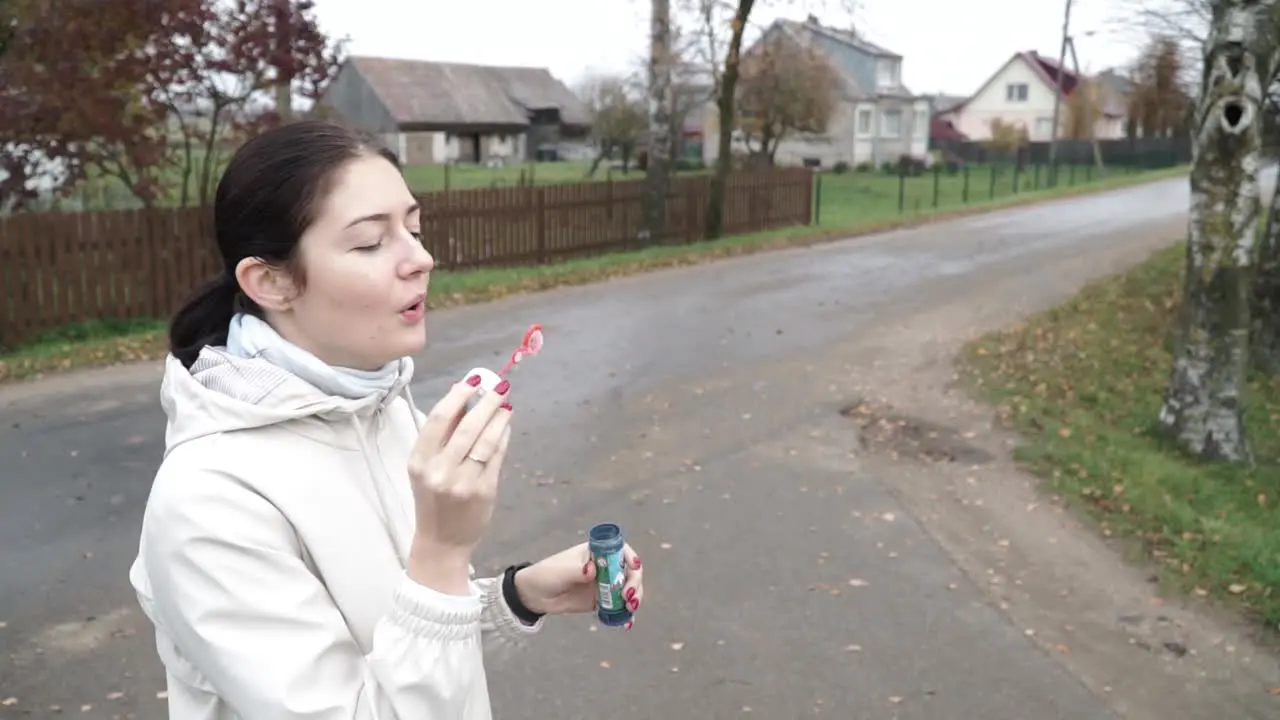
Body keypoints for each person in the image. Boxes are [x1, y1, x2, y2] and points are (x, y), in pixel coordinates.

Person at [127, 120, 645, 719]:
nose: (421, 258)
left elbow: (404, 633)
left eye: (415, 228)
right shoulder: (209, 500)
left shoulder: (381, 408)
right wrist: (445, 547)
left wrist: (515, 598)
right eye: (372, 242)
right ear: (270, 281)